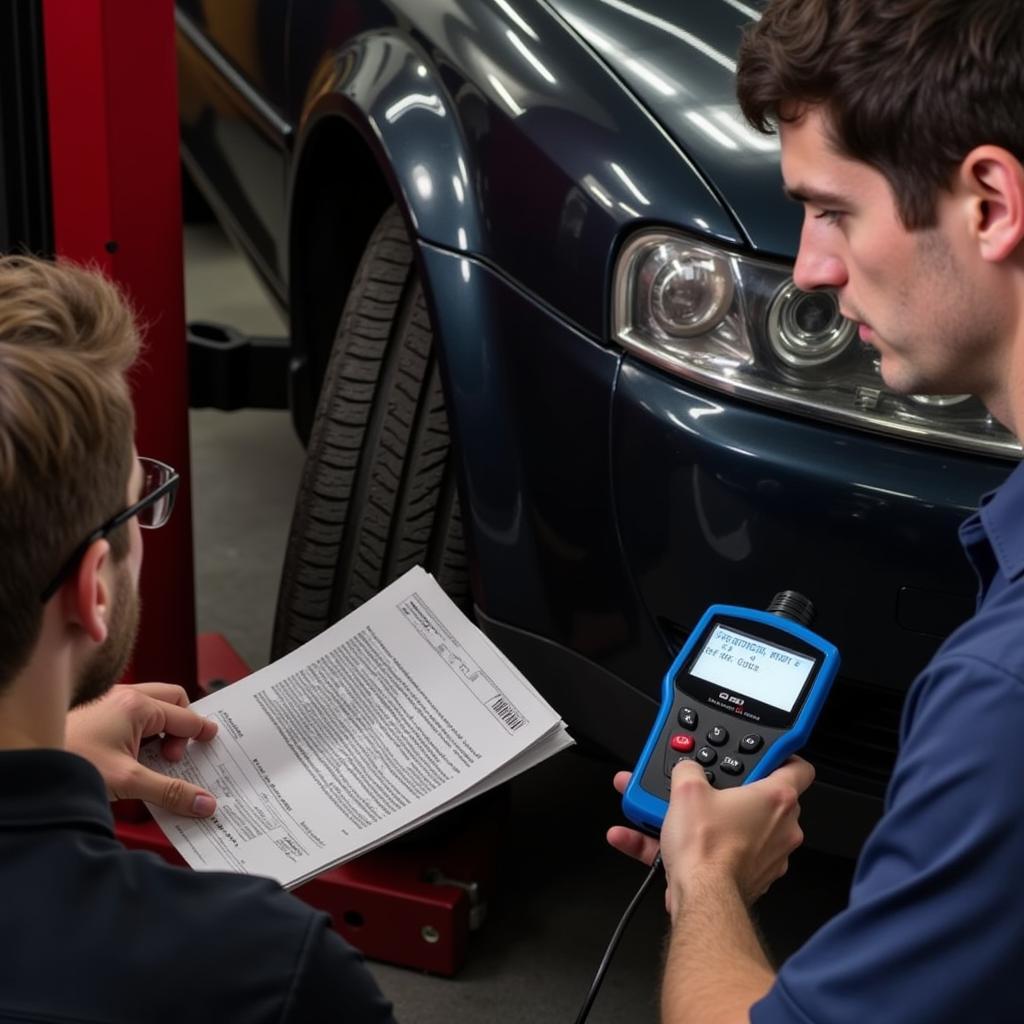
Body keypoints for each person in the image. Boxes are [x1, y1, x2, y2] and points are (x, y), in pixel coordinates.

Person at [608, 1, 1024, 1021]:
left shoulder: (999, 702)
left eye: (833, 210)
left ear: (988, 202)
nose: (810, 268)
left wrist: (706, 882)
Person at [0, 254, 394, 1022]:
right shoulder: (265, 970)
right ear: (95, 589)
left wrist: (47, 748)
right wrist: (706, 906)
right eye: (133, 505)